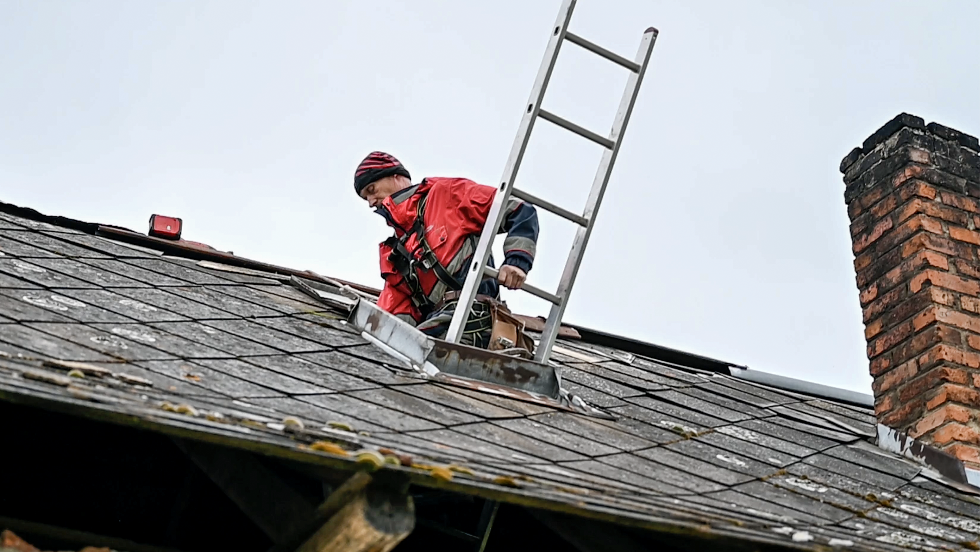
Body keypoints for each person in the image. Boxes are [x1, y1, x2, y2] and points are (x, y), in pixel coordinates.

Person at [354, 151, 539, 348]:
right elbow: (393, 318)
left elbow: (518, 209)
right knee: (399, 352)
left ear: (397, 177)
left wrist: (517, 262)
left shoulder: (446, 195)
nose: (371, 202)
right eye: (366, 198)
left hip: (473, 317)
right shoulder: (395, 255)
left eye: (372, 189)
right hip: (437, 327)